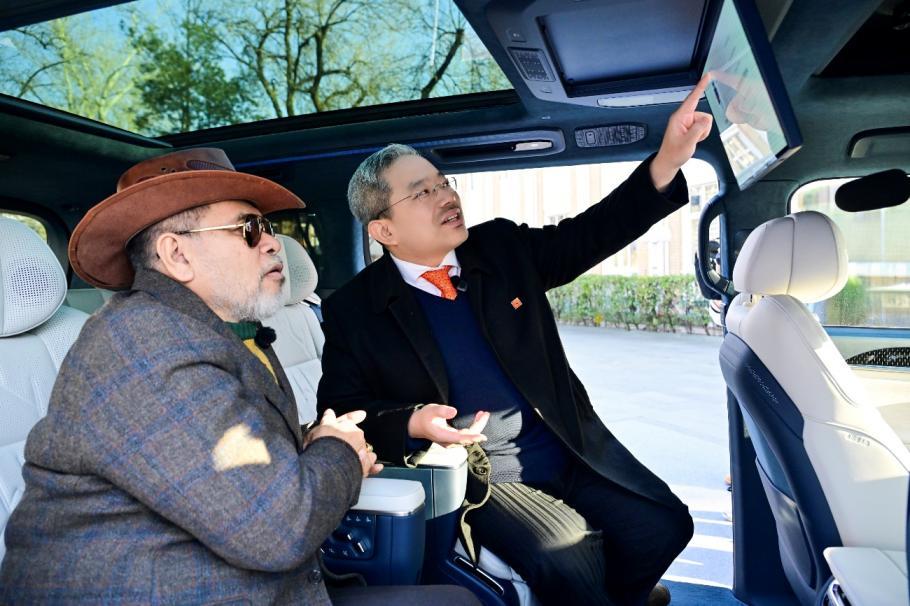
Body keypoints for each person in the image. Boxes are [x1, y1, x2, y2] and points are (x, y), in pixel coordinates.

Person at [0, 148, 478, 606]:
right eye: (248, 229)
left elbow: (227, 454)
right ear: (177, 255)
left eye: (268, 227)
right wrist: (340, 452)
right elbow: (279, 527)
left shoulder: (214, 333)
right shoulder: (145, 345)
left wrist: (314, 441)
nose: (272, 242)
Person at [317, 77, 714, 605]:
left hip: (566, 446)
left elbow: (588, 234)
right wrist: (412, 422)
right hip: (485, 477)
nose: (447, 196)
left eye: (443, 182)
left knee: (666, 525)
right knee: (567, 559)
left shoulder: (500, 248)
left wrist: (667, 160)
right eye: (422, 192)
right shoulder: (353, 310)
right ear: (384, 230)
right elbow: (340, 411)